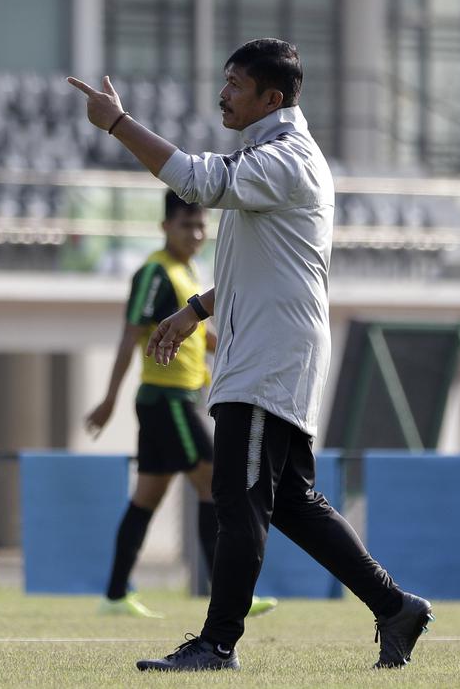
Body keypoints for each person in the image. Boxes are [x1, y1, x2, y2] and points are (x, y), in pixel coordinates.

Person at [68, 38, 433, 671]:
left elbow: (195, 180)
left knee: (237, 501)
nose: (223, 93)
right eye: (225, 81)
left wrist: (119, 125)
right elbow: (264, 267)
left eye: (236, 84)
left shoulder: (288, 158)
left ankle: (216, 645)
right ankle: (395, 605)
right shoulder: (272, 155)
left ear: (274, 98)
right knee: (290, 502)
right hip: (268, 351)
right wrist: (197, 310)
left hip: (269, 359)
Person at [85, 191, 276, 620]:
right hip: (169, 398)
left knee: (146, 497)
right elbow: (131, 333)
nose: (196, 233)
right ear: (165, 226)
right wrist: (110, 398)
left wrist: (235, 347)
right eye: (186, 224)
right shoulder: (155, 272)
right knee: (214, 485)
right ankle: (228, 598)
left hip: (176, 399)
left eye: (201, 224)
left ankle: (114, 595)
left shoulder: (189, 272)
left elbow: (195, 336)